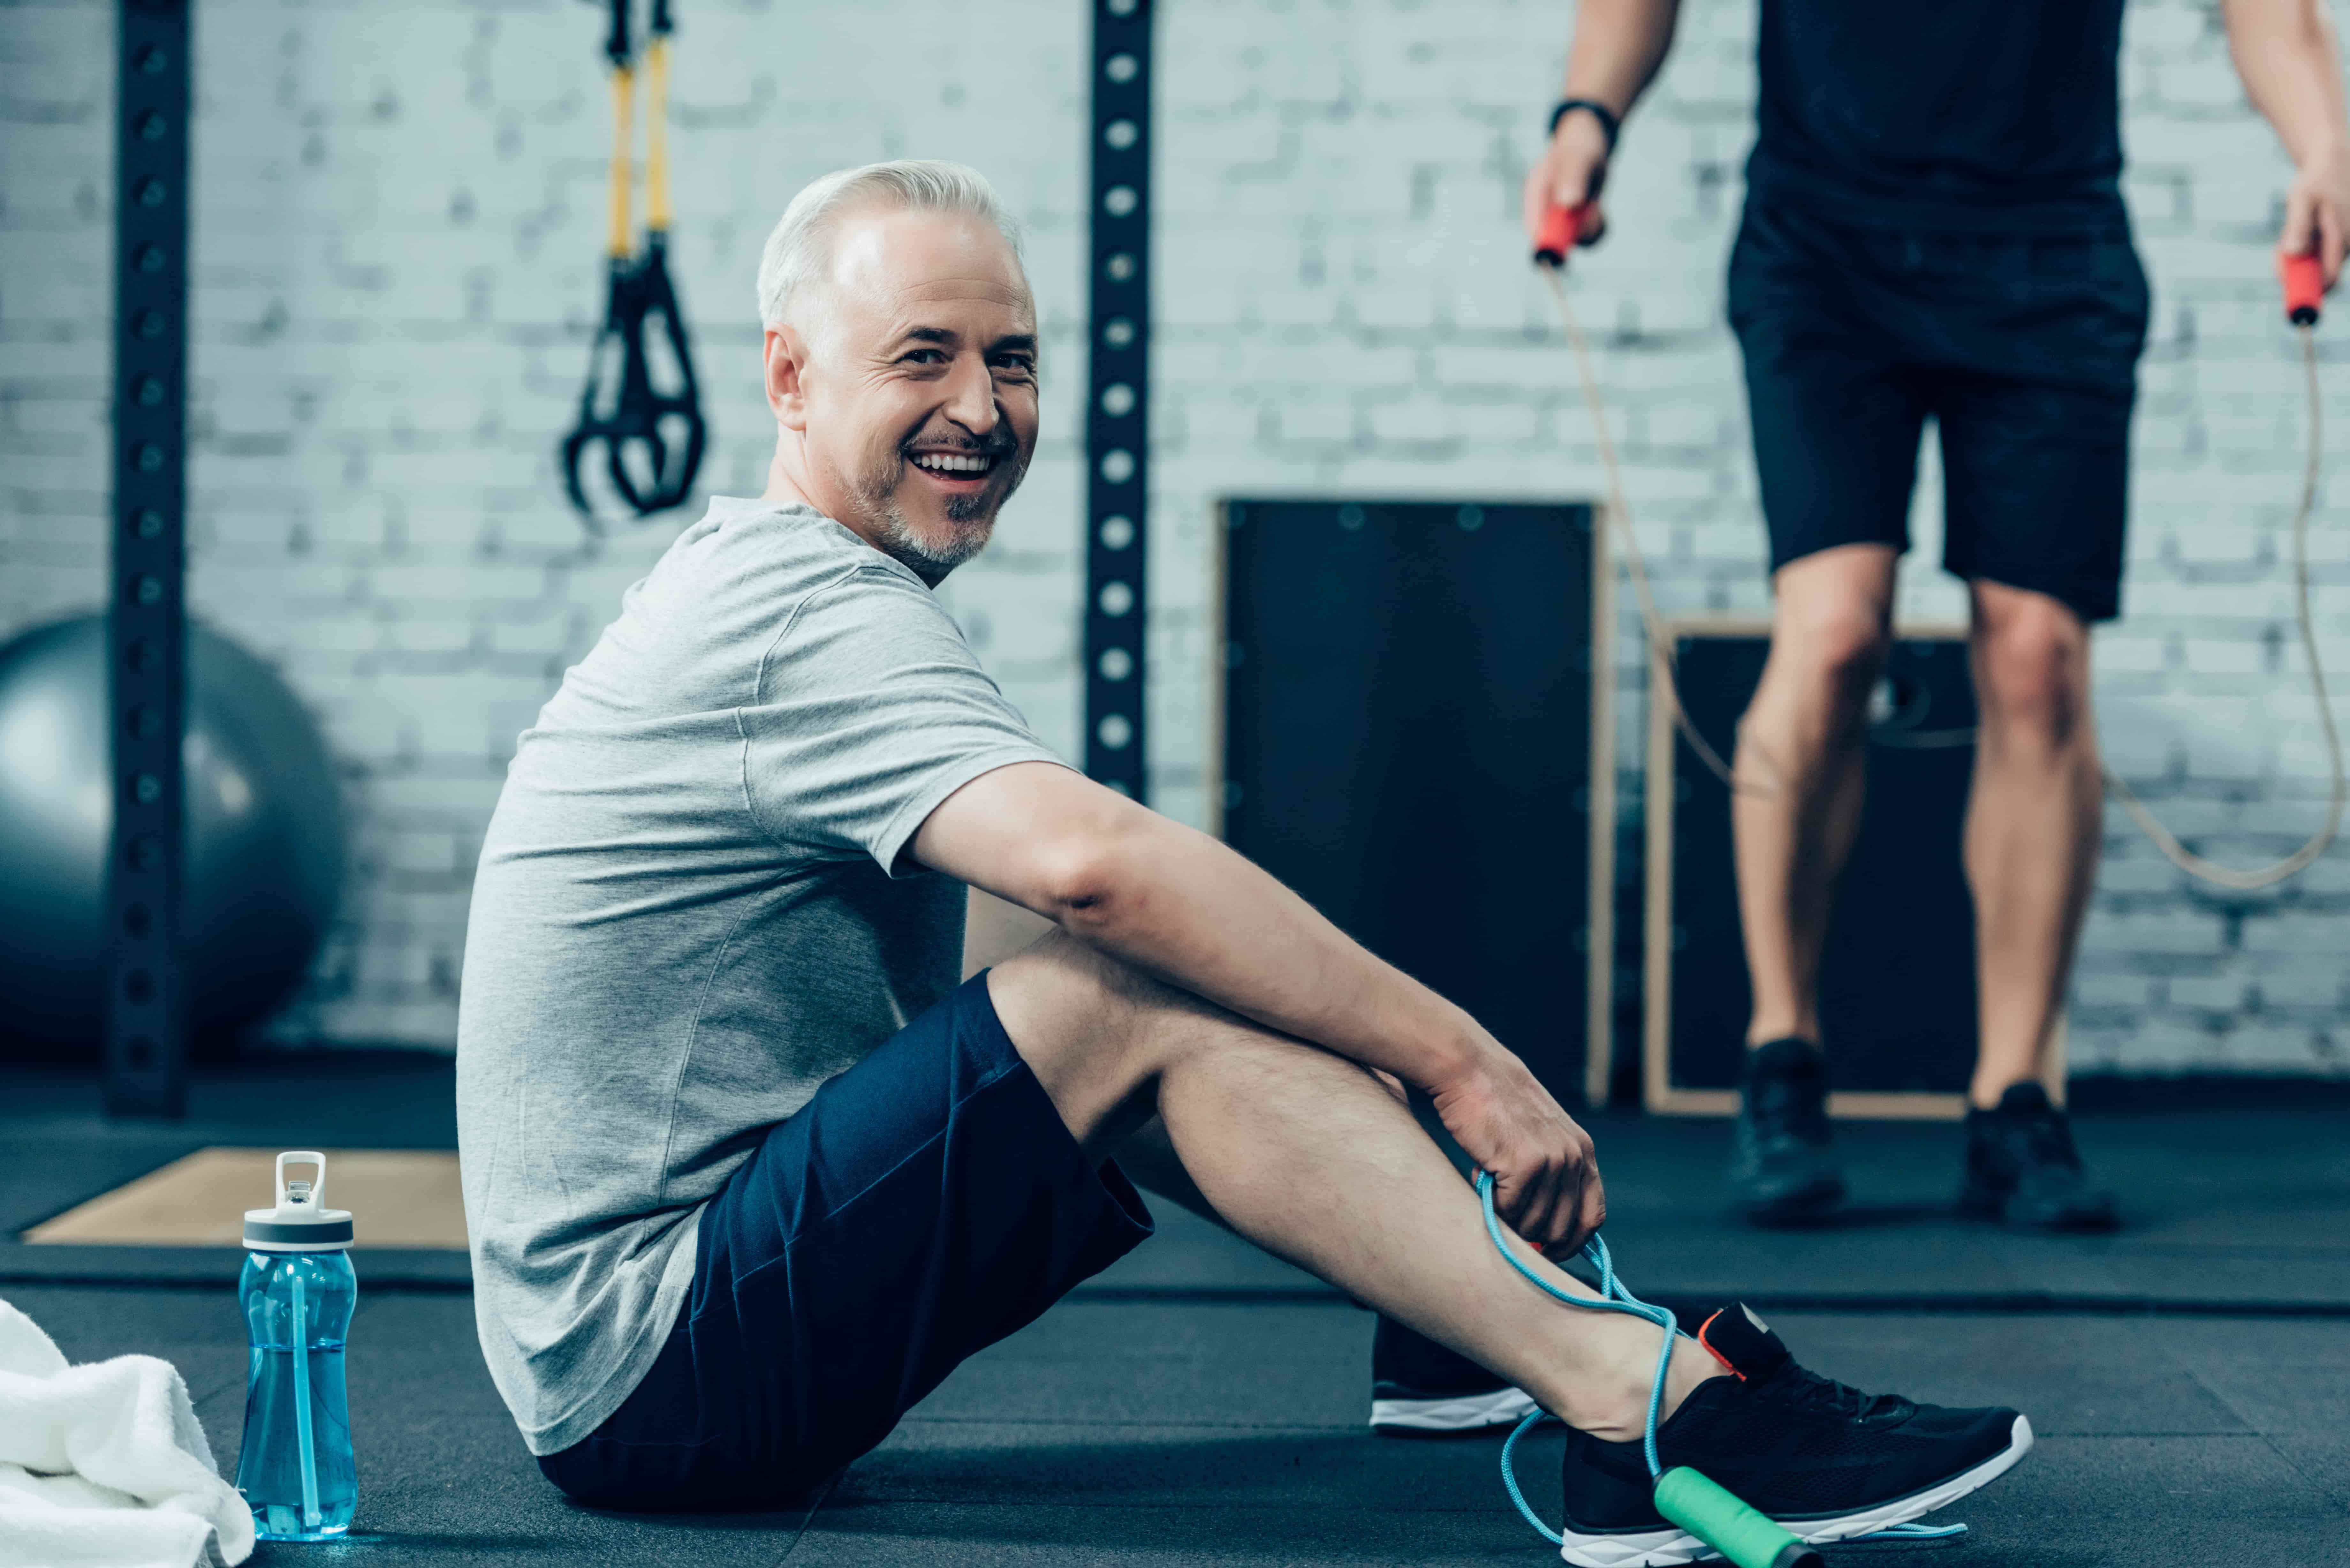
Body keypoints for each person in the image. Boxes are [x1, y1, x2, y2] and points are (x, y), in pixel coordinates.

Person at [454, 161, 2033, 1559]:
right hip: (648, 1375)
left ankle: (1468, 1328)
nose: (983, 408)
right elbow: (1088, 872)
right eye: (920, 357)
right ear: (792, 380)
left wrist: (1364, 1093)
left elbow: (1084, 924)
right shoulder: (798, 609)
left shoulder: (793, 591)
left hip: (665, 1347)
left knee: (1141, 970)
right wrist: (1463, 1064)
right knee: (1113, 969)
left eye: (1011, 360)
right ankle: (1643, 1404)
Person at [1521, 0, 2350, 1229]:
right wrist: (1587, 117)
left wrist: (2326, 146)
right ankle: (1782, 1055)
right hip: (1822, 243)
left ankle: (2016, 1100)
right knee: (1838, 629)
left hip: (2051, 249)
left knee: (2040, 664)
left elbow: (2264, 10)